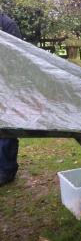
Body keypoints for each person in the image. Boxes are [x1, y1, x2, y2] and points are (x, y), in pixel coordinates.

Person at [0, 12, 22, 186]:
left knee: (6, 128)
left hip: (7, 84)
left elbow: (17, 56)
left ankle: (7, 170)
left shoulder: (8, 25)